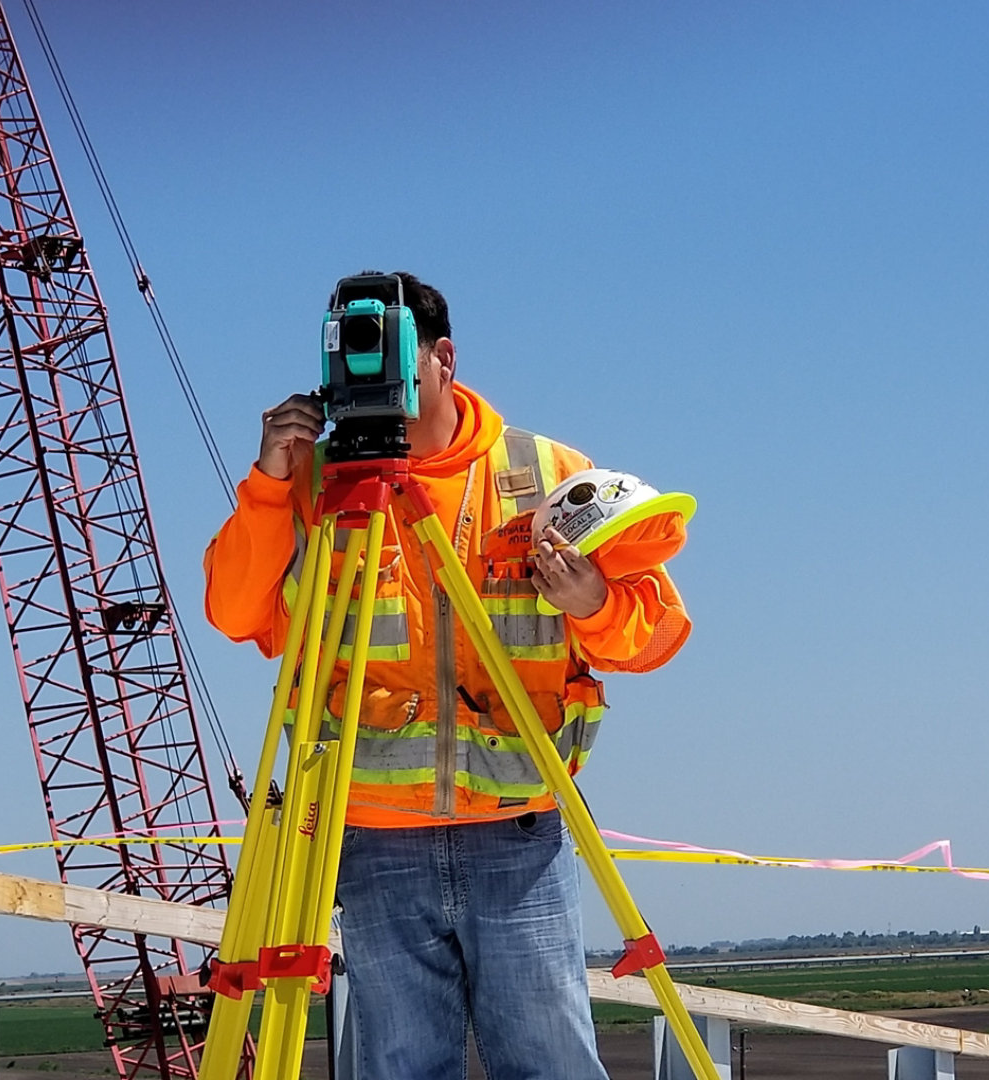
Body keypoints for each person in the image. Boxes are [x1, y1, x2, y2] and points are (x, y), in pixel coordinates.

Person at [202, 272, 690, 1079]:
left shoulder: (545, 474)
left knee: (551, 1063)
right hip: (372, 838)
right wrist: (268, 484)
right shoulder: (312, 489)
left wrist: (595, 601)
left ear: (442, 358)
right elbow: (234, 613)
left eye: (382, 346)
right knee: (402, 1065)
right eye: (347, 349)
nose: (364, 371)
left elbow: (656, 633)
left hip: (519, 832)